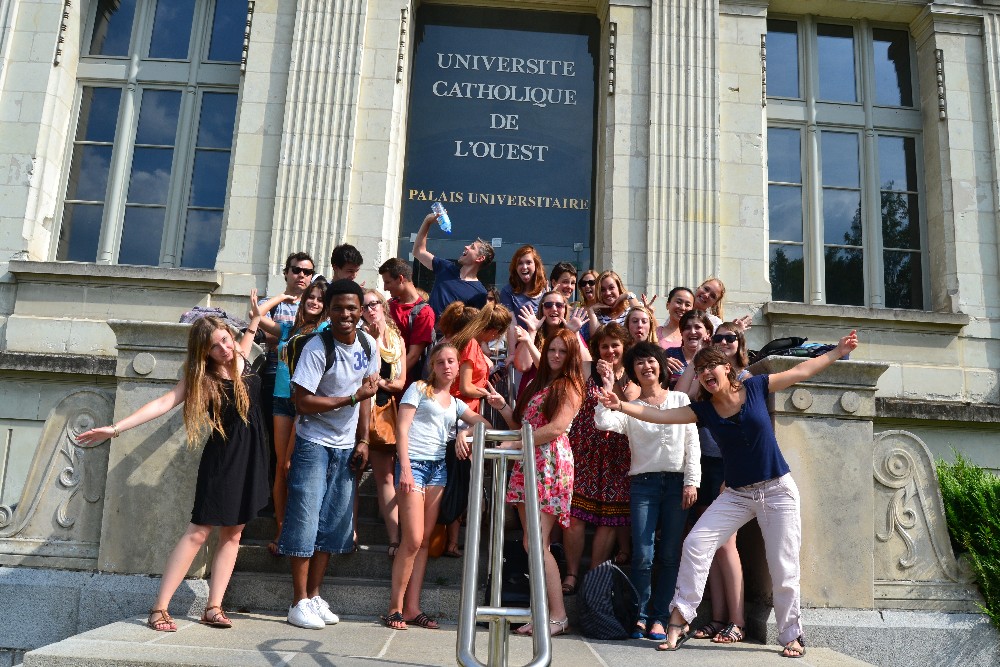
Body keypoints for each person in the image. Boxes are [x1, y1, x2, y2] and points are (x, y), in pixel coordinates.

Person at [598, 330, 859, 657]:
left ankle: (792, 636)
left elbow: (800, 371)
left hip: (777, 490)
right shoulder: (704, 411)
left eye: (712, 366)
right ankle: (679, 620)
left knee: (783, 567)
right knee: (695, 543)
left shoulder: (755, 387)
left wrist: (837, 351)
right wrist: (621, 405)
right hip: (737, 494)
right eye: (701, 369)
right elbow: (660, 416)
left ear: (727, 368)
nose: (707, 372)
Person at [76, 299, 270, 632]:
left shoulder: (239, 356)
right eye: (215, 346)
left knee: (234, 533)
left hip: (254, 455)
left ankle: (213, 607)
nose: (224, 349)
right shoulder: (202, 378)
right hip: (224, 459)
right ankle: (159, 608)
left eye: (226, 340)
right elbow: (164, 402)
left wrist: (255, 320)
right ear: (204, 352)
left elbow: (246, 339)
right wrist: (116, 428)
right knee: (199, 532)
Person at [278, 279, 381, 629]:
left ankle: (314, 596)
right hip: (313, 443)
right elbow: (302, 402)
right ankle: (298, 602)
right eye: (338, 308)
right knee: (305, 519)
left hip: (346, 445)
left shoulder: (368, 344)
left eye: (352, 308)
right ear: (328, 310)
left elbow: (367, 396)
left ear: (361, 311)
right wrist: (350, 398)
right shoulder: (316, 347)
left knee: (332, 522)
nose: (345, 314)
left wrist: (364, 440)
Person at [593, 341, 700, 642]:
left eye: (651, 360)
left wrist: (692, 481)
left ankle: (660, 617)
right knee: (642, 554)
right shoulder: (632, 407)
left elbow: (692, 443)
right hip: (643, 484)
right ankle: (640, 616)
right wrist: (606, 392)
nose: (646, 366)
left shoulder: (679, 398)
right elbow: (603, 422)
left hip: (677, 483)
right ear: (633, 371)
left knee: (669, 554)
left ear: (660, 365)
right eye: (639, 363)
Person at [383, 343, 494, 630]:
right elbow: (402, 429)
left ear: (458, 367)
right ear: (432, 366)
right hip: (414, 465)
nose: (447, 366)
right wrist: (405, 468)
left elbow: (486, 425)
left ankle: (412, 608)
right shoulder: (418, 389)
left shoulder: (456, 403)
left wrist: (465, 432)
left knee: (424, 542)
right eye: (441, 361)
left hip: (438, 470)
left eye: (452, 361)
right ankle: (394, 608)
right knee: (412, 539)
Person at [485, 328, 586, 637]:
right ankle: (544, 614)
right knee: (533, 544)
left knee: (538, 544)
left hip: (550, 463)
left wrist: (516, 444)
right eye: (552, 349)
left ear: (571, 356)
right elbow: (522, 426)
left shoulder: (569, 385)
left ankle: (558, 616)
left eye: (562, 351)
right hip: (529, 460)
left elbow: (556, 428)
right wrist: (502, 406)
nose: (555, 355)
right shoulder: (541, 384)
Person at [675, 321, 749, 644]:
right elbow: (682, 398)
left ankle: (738, 621)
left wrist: (732, 474)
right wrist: (698, 358)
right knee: (711, 543)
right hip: (704, 462)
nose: (723, 342)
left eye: (730, 338)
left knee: (727, 543)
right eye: (717, 338)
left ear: (740, 342)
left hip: (729, 466)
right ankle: (718, 618)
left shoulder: (746, 379)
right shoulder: (706, 378)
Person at [563, 323, 638, 595]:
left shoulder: (632, 376)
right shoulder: (587, 369)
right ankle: (571, 574)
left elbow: (628, 405)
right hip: (584, 451)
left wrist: (611, 381)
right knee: (575, 516)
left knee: (609, 519)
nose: (610, 351)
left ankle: (594, 578)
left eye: (615, 345)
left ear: (625, 347)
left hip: (617, 454)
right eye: (604, 346)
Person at [255, 278, 329, 554]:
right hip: (281, 398)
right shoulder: (288, 328)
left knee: (292, 465)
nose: (314, 302)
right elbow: (256, 315)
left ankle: (302, 529)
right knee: (280, 468)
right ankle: (281, 529)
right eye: (311, 297)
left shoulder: (324, 329)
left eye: (320, 299)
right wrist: (284, 297)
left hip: (305, 402)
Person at [360, 288, 407, 556]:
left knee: (386, 476)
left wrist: (381, 383)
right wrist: (374, 341)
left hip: (382, 409)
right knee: (352, 474)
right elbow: (368, 375)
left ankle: (394, 539)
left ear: (383, 305)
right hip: (357, 409)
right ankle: (350, 534)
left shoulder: (396, 339)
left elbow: (399, 383)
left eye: (374, 304)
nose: (370, 309)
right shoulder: (358, 336)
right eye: (365, 306)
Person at [257, 252, 315, 447]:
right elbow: (257, 319)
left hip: (305, 378)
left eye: (307, 272)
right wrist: (282, 297)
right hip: (274, 374)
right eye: (296, 270)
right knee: (271, 440)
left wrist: (279, 338)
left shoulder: (314, 306)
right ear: (286, 272)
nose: (302, 275)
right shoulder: (271, 303)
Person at [412, 212, 494, 318]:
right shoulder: (446, 267)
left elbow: (472, 325)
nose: (466, 247)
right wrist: (427, 222)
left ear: (480, 258)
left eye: (472, 247)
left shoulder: (479, 293)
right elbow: (418, 251)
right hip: (427, 328)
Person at [379, 257, 435, 390]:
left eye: (387, 282)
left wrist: (393, 380)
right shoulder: (389, 304)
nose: (385, 288)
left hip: (402, 386)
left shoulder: (424, 313)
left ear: (400, 279)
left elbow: (414, 355)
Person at [499, 244, 546, 331]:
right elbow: (511, 325)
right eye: (520, 263)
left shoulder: (545, 292)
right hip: (518, 338)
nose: (524, 267)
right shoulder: (507, 292)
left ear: (536, 265)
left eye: (528, 262)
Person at [584, 270, 640, 340]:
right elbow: (596, 339)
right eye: (603, 290)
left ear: (619, 288)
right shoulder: (598, 315)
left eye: (611, 288)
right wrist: (591, 310)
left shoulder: (631, 309)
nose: (607, 293)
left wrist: (629, 295)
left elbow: (641, 317)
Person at [665, 310, 714, 388]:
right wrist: (661, 366)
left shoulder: (714, 358)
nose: (692, 332)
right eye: (687, 328)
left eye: (697, 327)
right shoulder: (670, 354)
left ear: (708, 332)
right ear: (681, 333)